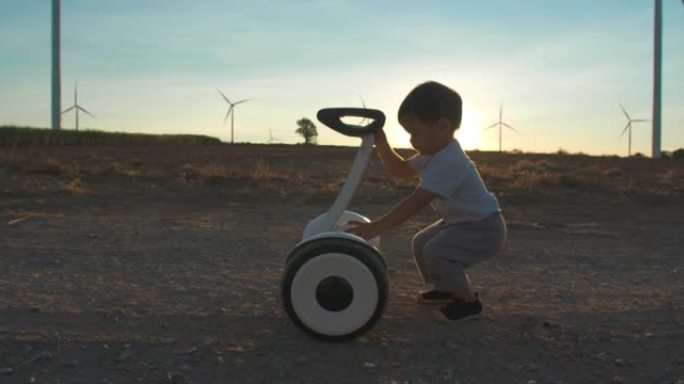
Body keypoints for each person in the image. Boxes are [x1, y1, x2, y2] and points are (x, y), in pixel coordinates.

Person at [346, 81, 507, 323]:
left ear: (442, 126)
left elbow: (414, 203)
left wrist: (376, 227)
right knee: (421, 242)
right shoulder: (433, 154)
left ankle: (468, 302)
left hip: (483, 228)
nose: (411, 140)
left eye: (415, 132)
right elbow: (400, 170)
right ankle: (445, 289)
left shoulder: (450, 161)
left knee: (437, 251)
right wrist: (381, 142)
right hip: (463, 222)